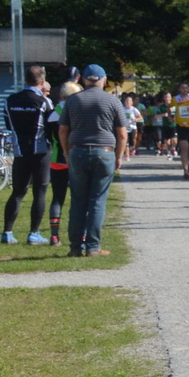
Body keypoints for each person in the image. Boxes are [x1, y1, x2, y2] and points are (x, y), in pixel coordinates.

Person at [57, 64, 127, 257]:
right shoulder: (113, 101)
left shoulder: (72, 101)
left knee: (78, 200)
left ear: (84, 80)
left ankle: (75, 247)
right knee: (97, 200)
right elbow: (122, 134)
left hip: (77, 151)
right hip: (104, 152)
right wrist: (118, 157)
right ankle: (93, 246)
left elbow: (62, 129)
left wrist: (66, 152)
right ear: (103, 80)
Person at [1, 65, 52, 245]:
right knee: (40, 191)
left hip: (20, 151)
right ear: (42, 81)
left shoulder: (10, 100)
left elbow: (8, 124)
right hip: (40, 152)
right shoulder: (44, 102)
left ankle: (7, 233)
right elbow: (52, 124)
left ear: (26, 79)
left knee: (17, 192)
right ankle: (34, 233)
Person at [44, 80, 74, 245]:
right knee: (78, 198)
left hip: (57, 159)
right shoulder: (75, 111)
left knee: (57, 198)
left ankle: (54, 236)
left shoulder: (52, 113)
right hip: (74, 158)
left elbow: (48, 136)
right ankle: (78, 235)